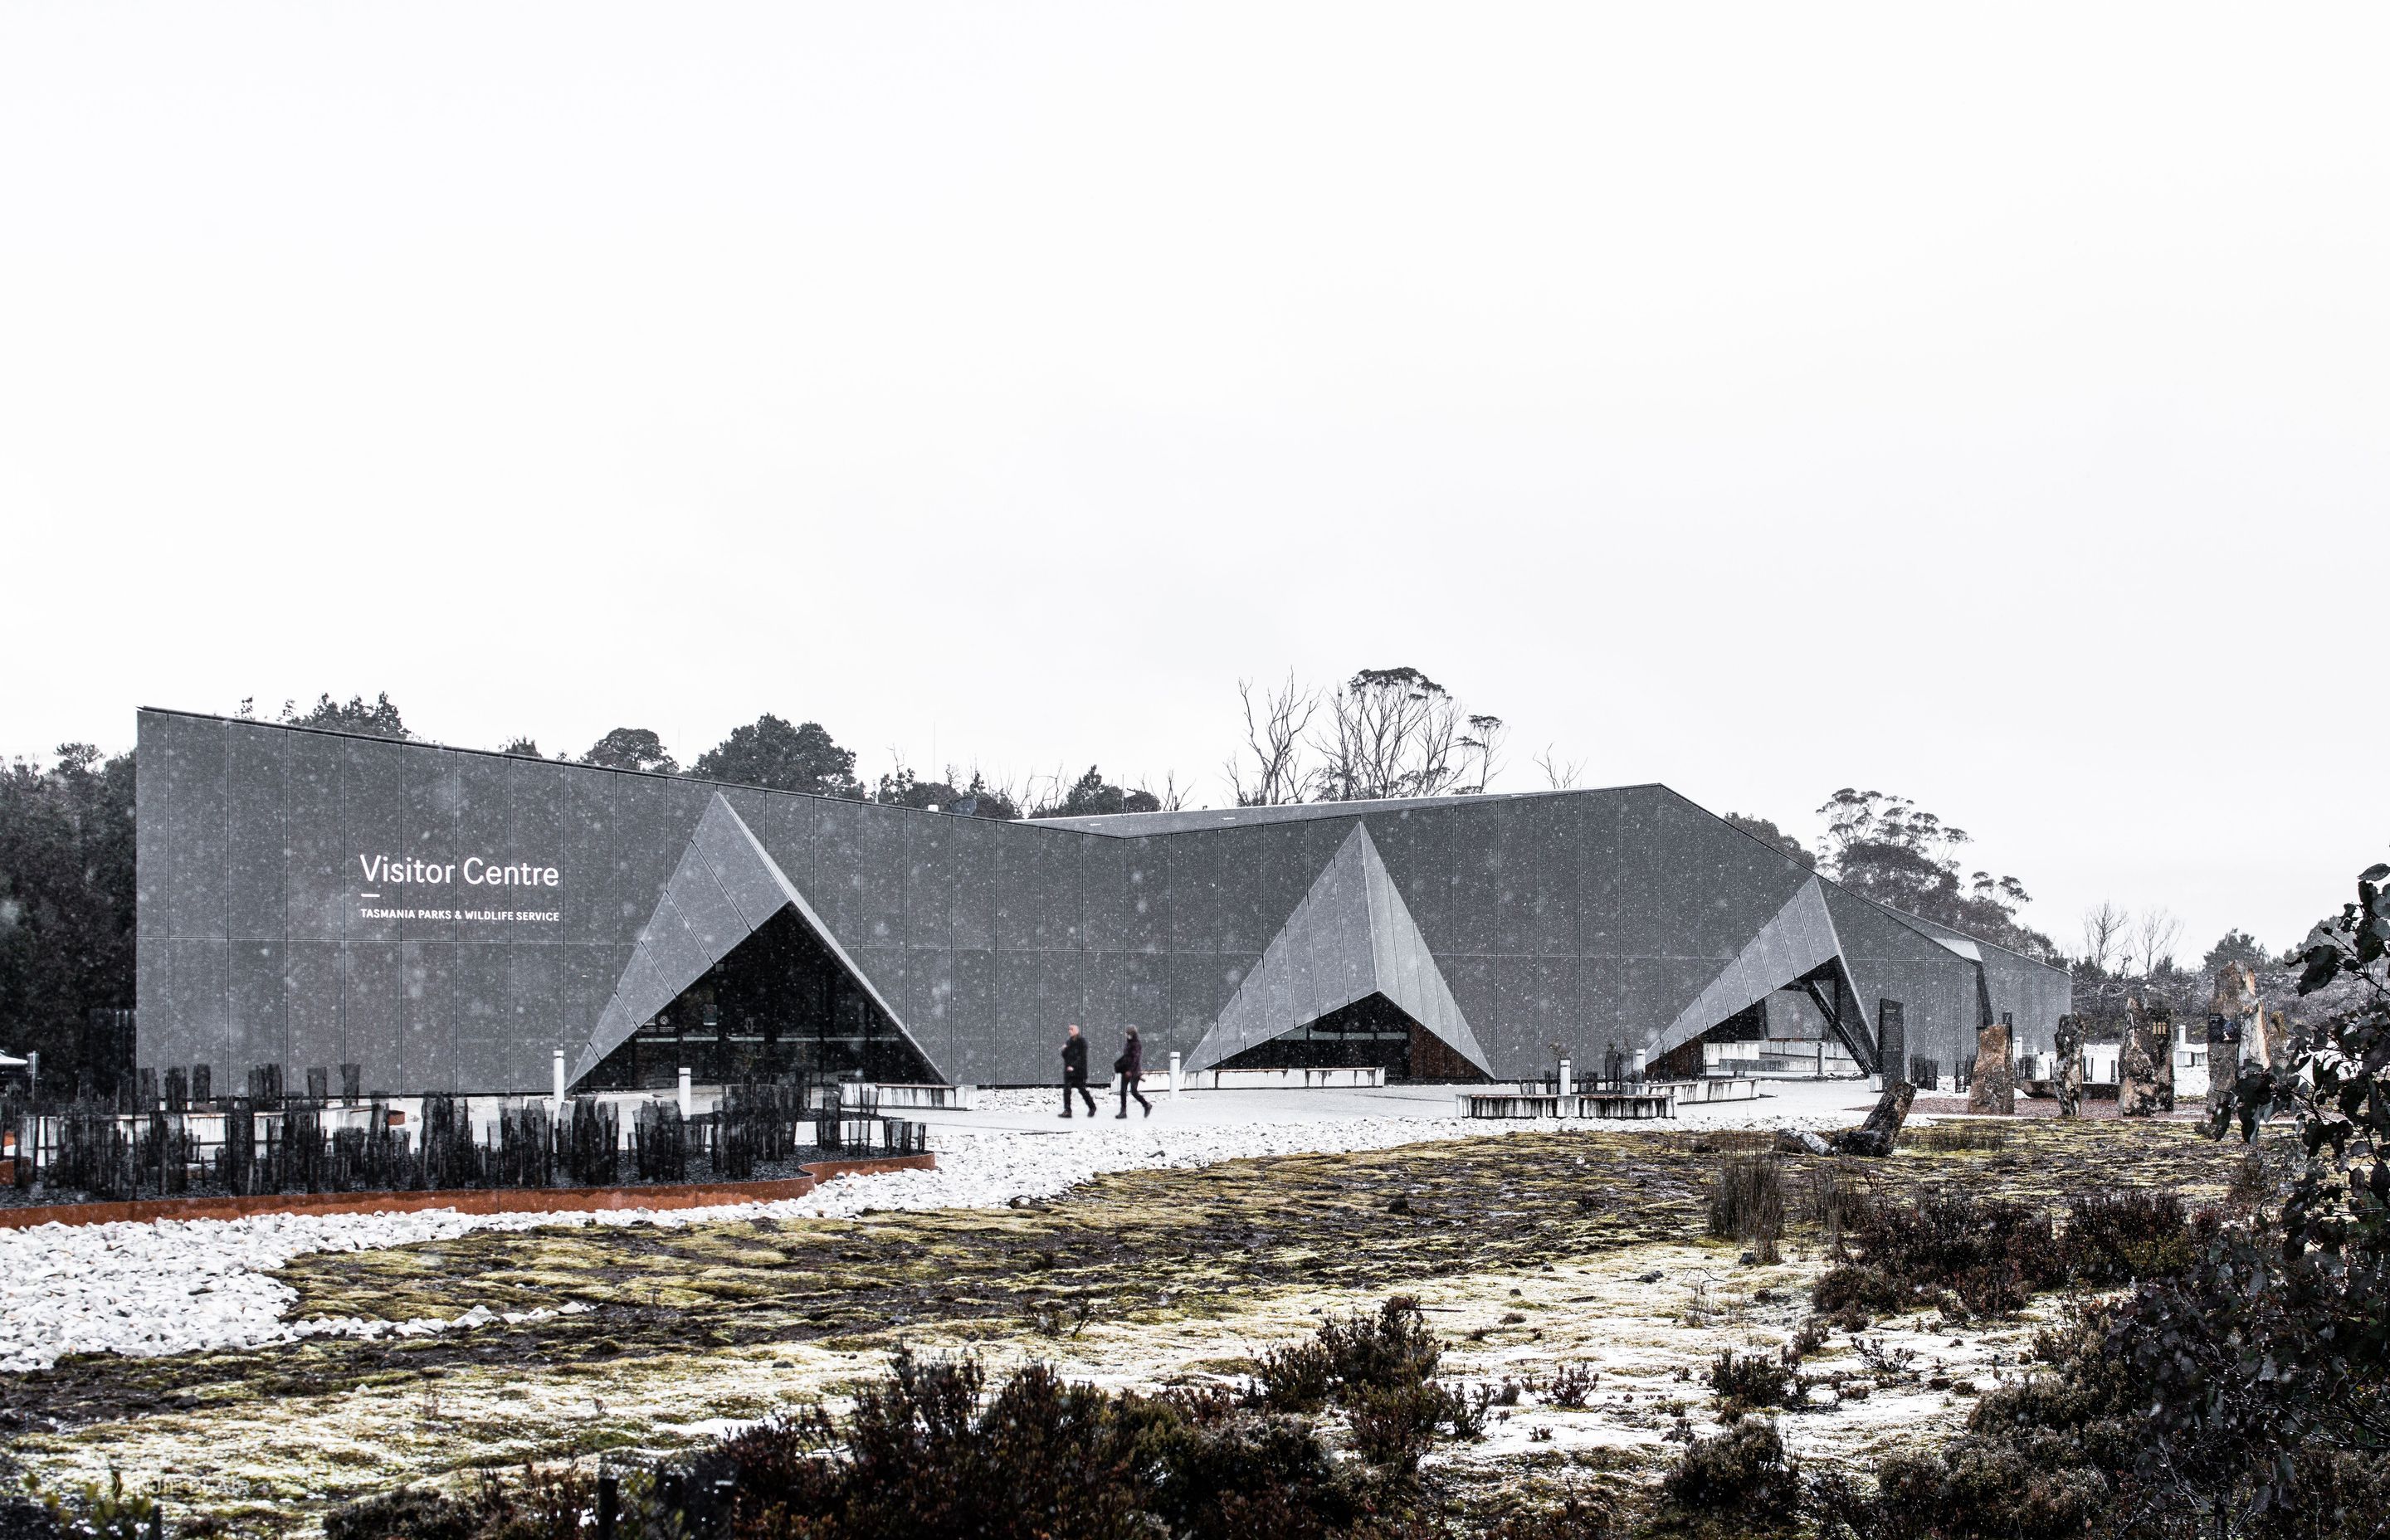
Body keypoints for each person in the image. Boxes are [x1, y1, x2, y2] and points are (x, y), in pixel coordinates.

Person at [1059, 1023, 1096, 1118]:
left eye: (1072, 1029)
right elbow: (1066, 1056)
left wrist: (1074, 1066)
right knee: (1067, 1090)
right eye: (1069, 1029)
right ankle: (1068, 1110)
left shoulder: (1081, 1042)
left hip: (1079, 1072)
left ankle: (1092, 1107)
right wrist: (1064, 1050)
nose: (1070, 1031)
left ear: (1076, 1031)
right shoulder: (1069, 1041)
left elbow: (1082, 1057)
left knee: (1082, 1090)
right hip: (1069, 1072)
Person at [1115, 1026, 1151, 1118]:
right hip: (1126, 1070)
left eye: (1128, 1033)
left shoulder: (1136, 1044)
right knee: (1123, 1091)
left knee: (1134, 1091)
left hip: (1134, 1072)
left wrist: (1130, 1071)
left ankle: (1146, 1105)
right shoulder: (1128, 1043)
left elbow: (1135, 1059)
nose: (1126, 1035)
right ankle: (1123, 1112)